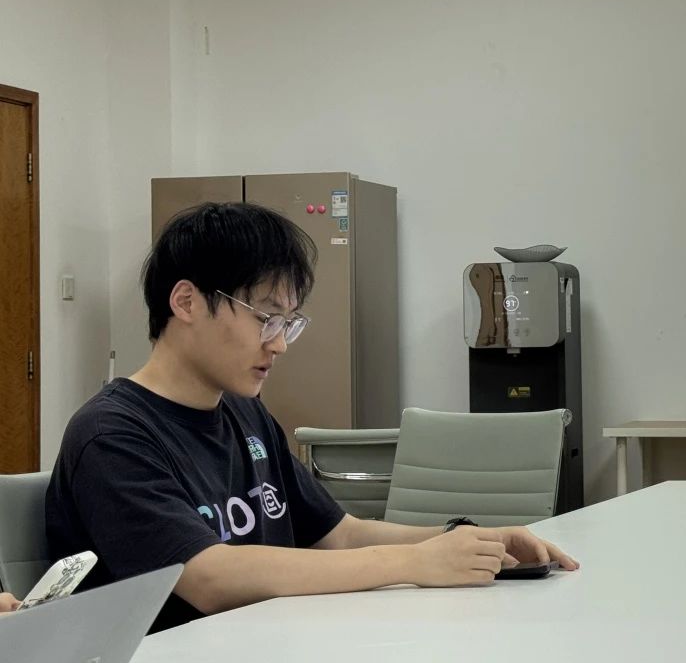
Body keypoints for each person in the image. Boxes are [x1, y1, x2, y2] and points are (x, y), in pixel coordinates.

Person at [46, 203, 578, 633]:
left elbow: (338, 534)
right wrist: (414, 564)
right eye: (266, 318)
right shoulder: (113, 434)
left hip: (268, 651)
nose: (278, 344)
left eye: (288, 323)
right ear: (186, 302)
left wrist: (470, 539)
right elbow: (207, 577)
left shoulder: (244, 413)